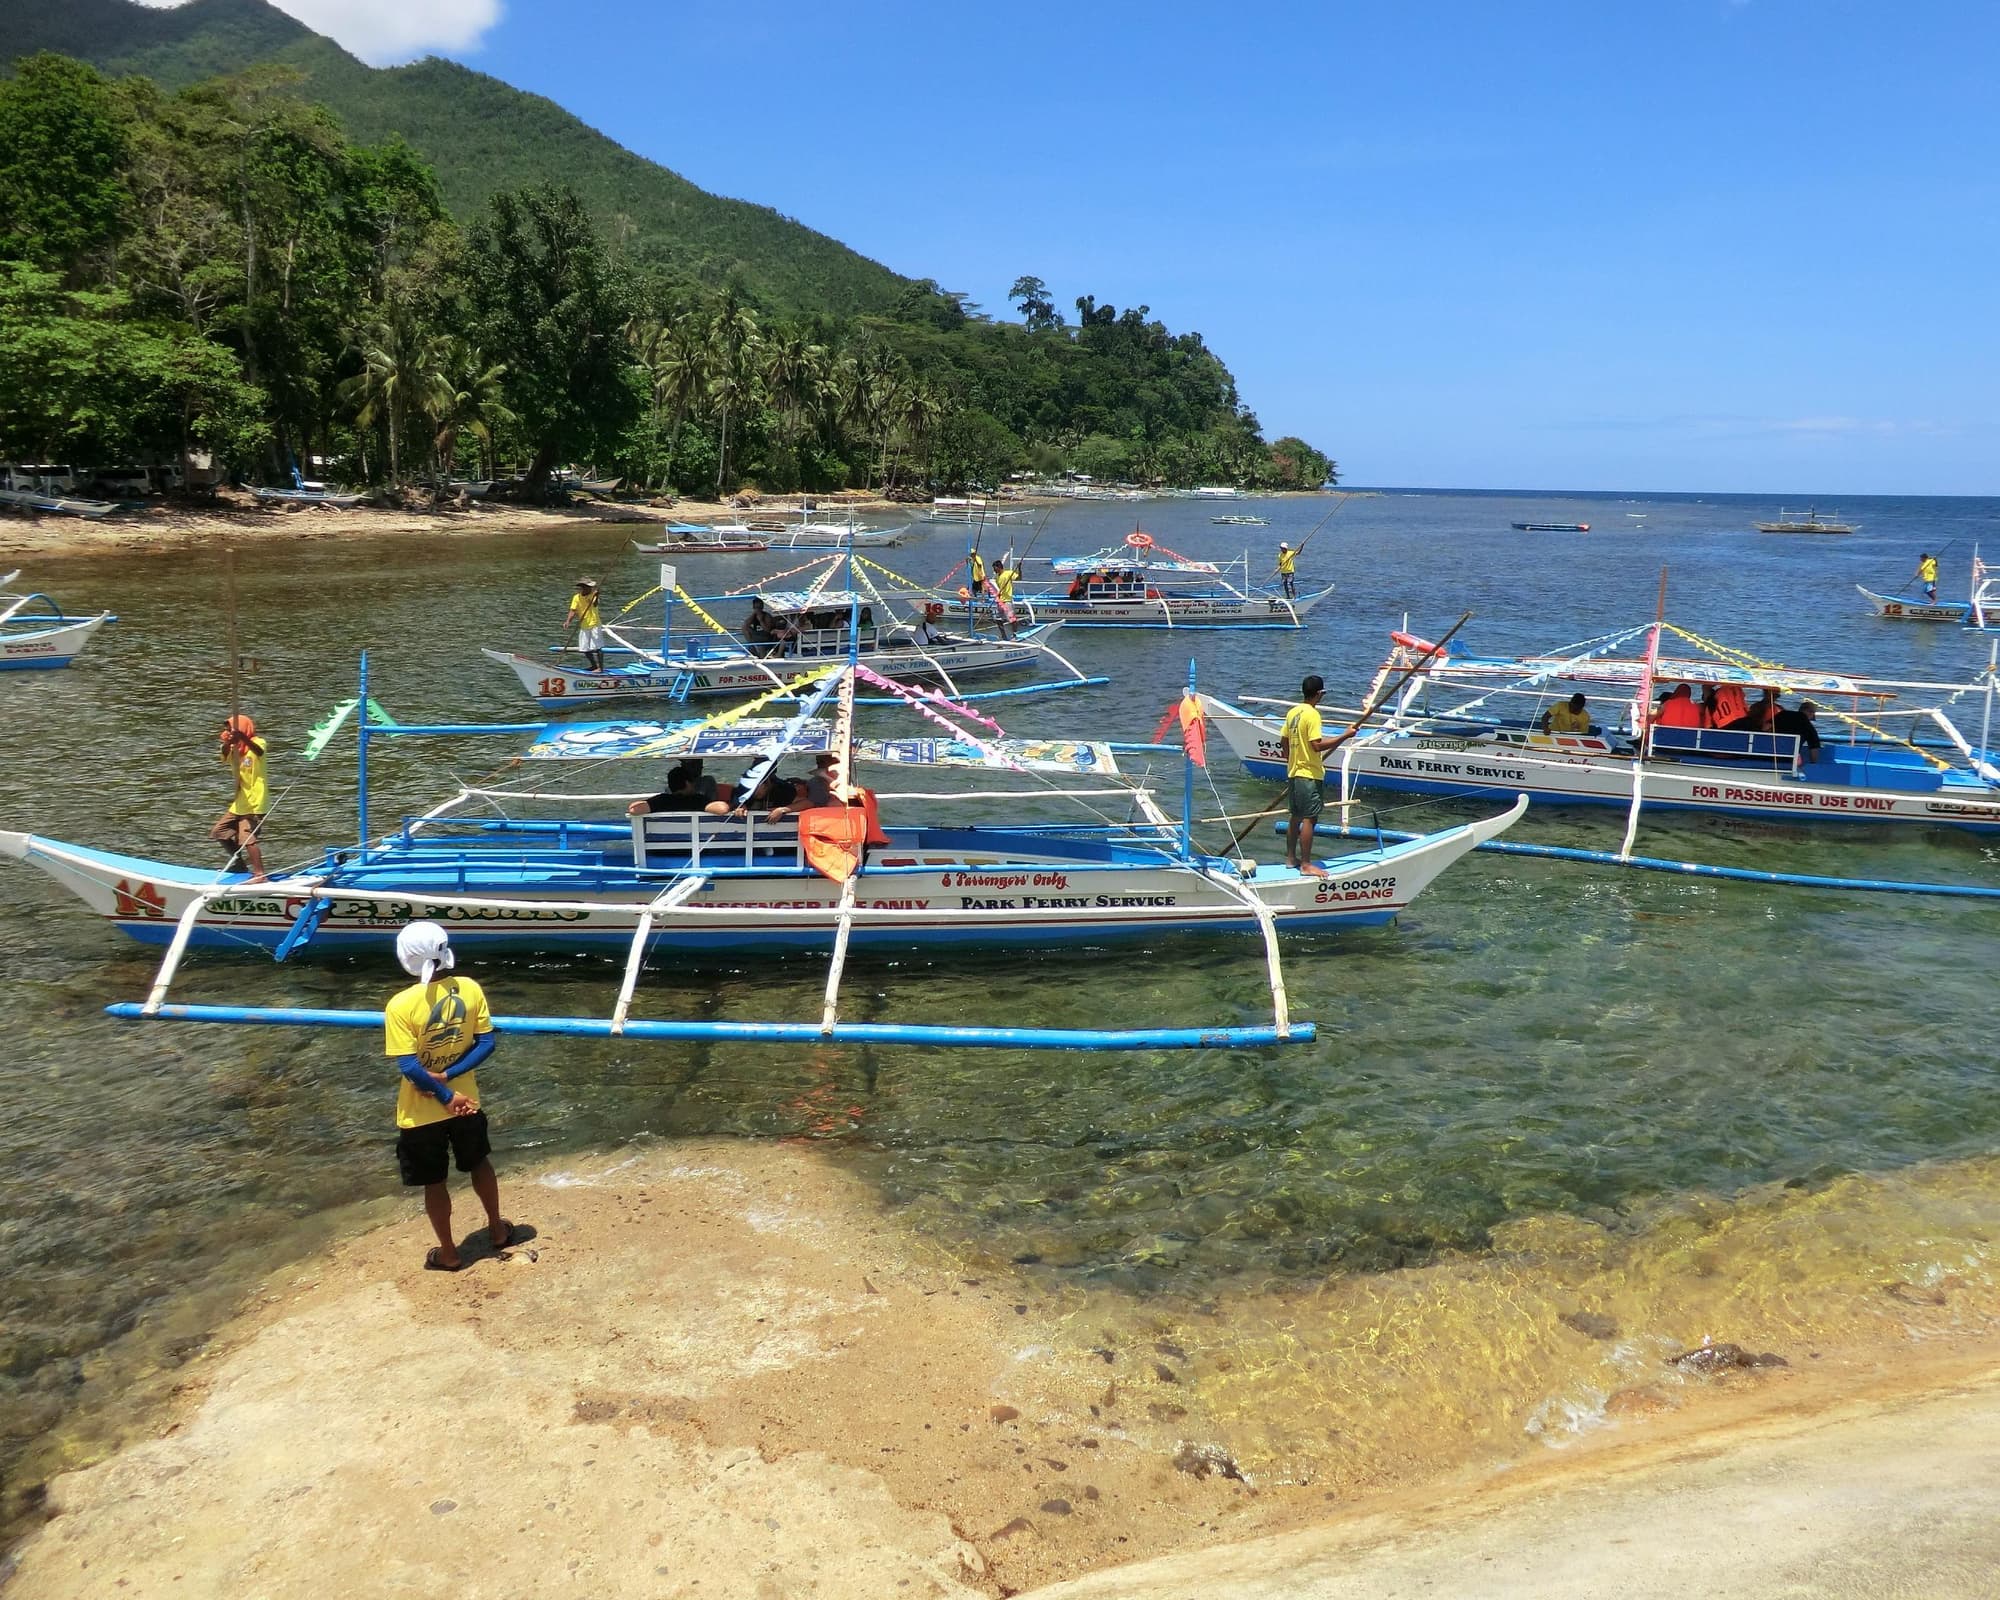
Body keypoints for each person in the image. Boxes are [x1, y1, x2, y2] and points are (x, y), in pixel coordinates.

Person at [385, 922, 508, 1273]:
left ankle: (450, 1252)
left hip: (422, 1111)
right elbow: (486, 1043)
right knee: (480, 1163)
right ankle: (498, 1230)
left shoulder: (400, 1005)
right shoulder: (469, 988)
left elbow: (408, 1065)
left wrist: (441, 1092)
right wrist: (452, 1080)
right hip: (466, 1102)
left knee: (433, 1182)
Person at [1279, 675, 1340, 877]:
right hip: (1309, 775)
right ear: (1319, 694)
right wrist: (1344, 737)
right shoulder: (1312, 714)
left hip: (1294, 772)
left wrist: (1290, 759)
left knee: (1295, 816)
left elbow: (1283, 740)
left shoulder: (1293, 712)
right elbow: (1316, 745)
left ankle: (1290, 858)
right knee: (1309, 819)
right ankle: (1305, 865)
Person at [208, 714, 269, 882]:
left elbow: (259, 752)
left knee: (247, 838)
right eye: (227, 730)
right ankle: (239, 864)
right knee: (219, 832)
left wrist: (243, 737)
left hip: (255, 801)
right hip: (240, 801)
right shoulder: (235, 749)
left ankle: (260, 874)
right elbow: (224, 753)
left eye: (231, 730)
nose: (228, 732)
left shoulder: (257, 742)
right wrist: (229, 741)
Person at [626, 765, 708, 815]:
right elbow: (721, 809)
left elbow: (634, 810)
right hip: (699, 840)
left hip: (662, 841)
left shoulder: (662, 800)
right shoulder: (698, 800)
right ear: (687, 783)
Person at [566, 578, 605, 673]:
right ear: (583, 588)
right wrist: (568, 621)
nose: (590, 589)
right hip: (584, 625)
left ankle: (600, 668)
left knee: (597, 646)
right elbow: (573, 610)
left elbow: (595, 604)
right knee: (584, 648)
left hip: (594, 623)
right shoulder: (576, 598)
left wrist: (597, 595)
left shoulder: (593, 595)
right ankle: (594, 666)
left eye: (591, 588)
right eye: (588, 588)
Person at [990, 558, 1018, 639]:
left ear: (999, 567)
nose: (994, 570)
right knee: (998, 620)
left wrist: (1019, 568)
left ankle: (1015, 634)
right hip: (1000, 601)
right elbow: (999, 589)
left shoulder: (1008, 573)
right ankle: (1003, 636)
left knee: (1011, 619)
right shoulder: (998, 577)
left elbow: (1019, 578)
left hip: (1007, 600)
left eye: (995, 568)